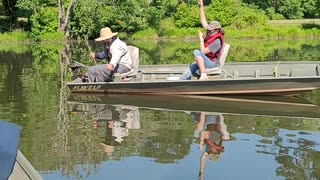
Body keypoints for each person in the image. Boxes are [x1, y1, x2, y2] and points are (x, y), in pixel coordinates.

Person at [171, 0, 225, 81]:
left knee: (196, 51)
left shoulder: (217, 42)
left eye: (211, 31)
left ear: (217, 31)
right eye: (208, 30)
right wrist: (201, 6)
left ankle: (203, 75)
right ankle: (180, 81)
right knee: (190, 69)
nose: (209, 32)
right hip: (206, 61)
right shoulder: (211, 32)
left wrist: (201, 39)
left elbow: (202, 51)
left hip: (213, 64)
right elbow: (203, 20)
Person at [197, 113, 230, 180]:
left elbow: (203, 157)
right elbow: (203, 132)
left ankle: (203, 114)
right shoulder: (214, 142)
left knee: (199, 132)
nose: (207, 152)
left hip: (215, 122)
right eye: (209, 152)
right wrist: (200, 143)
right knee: (199, 130)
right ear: (213, 151)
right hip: (211, 121)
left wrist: (201, 172)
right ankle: (203, 113)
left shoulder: (215, 147)